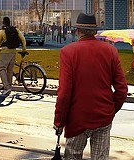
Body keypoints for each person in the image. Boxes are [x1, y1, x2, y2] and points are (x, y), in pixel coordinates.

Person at [54, 13, 128, 160]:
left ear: (78, 31)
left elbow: (64, 92)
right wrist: (112, 110)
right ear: (95, 32)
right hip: (103, 116)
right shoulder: (110, 51)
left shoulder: (68, 52)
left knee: (73, 156)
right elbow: (122, 88)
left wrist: (59, 121)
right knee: (100, 157)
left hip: (77, 118)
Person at [0, 16, 27, 92]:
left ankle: (7, 87)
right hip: (13, 52)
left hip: (5, 52)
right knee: (10, 70)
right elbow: (23, 39)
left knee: (2, 69)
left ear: (3, 22)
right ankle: (9, 86)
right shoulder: (16, 30)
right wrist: (24, 49)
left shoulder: (2, 31)